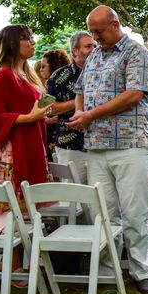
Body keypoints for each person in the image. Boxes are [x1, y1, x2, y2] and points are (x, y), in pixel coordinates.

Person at [67, 5, 148, 294]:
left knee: (135, 212)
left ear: (115, 24)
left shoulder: (135, 51)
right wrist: (80, 113)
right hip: (96, 145)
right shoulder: (94, 55)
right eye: (91, 32)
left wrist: (91, 115)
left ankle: (141, 270)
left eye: (99, 31)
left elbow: (134, 94)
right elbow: (80, 90)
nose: (94, 37)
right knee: (103, 213)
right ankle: (109, 268)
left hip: (130, 144)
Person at [0, 25, 53, 280]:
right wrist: (29, 117)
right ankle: (10, 266)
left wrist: (41, 114)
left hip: (31, 142)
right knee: (10, 208)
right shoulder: (2, 75)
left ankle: (8, 263)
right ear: (13, 43)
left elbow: (32, 108)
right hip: (11, 151)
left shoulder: (26, 73)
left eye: (32, 37)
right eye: (26, 38)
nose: (32, 42)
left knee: (21, 208)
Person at [46, 31, 96, 184]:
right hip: (71, 146)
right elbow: (48, 109)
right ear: (75, 50)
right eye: (88, 46)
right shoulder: (58, 76)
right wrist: (78, 101)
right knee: (74, 198)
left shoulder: (104, 72)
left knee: (102, 197)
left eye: (95, 45)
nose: (93, 50)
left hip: (100, 144)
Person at [40, 48, 71, 160]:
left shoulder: (52, 82)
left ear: (53, 66)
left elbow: (44, 108)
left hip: (58, 135)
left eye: (43, 66)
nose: (40, 70)